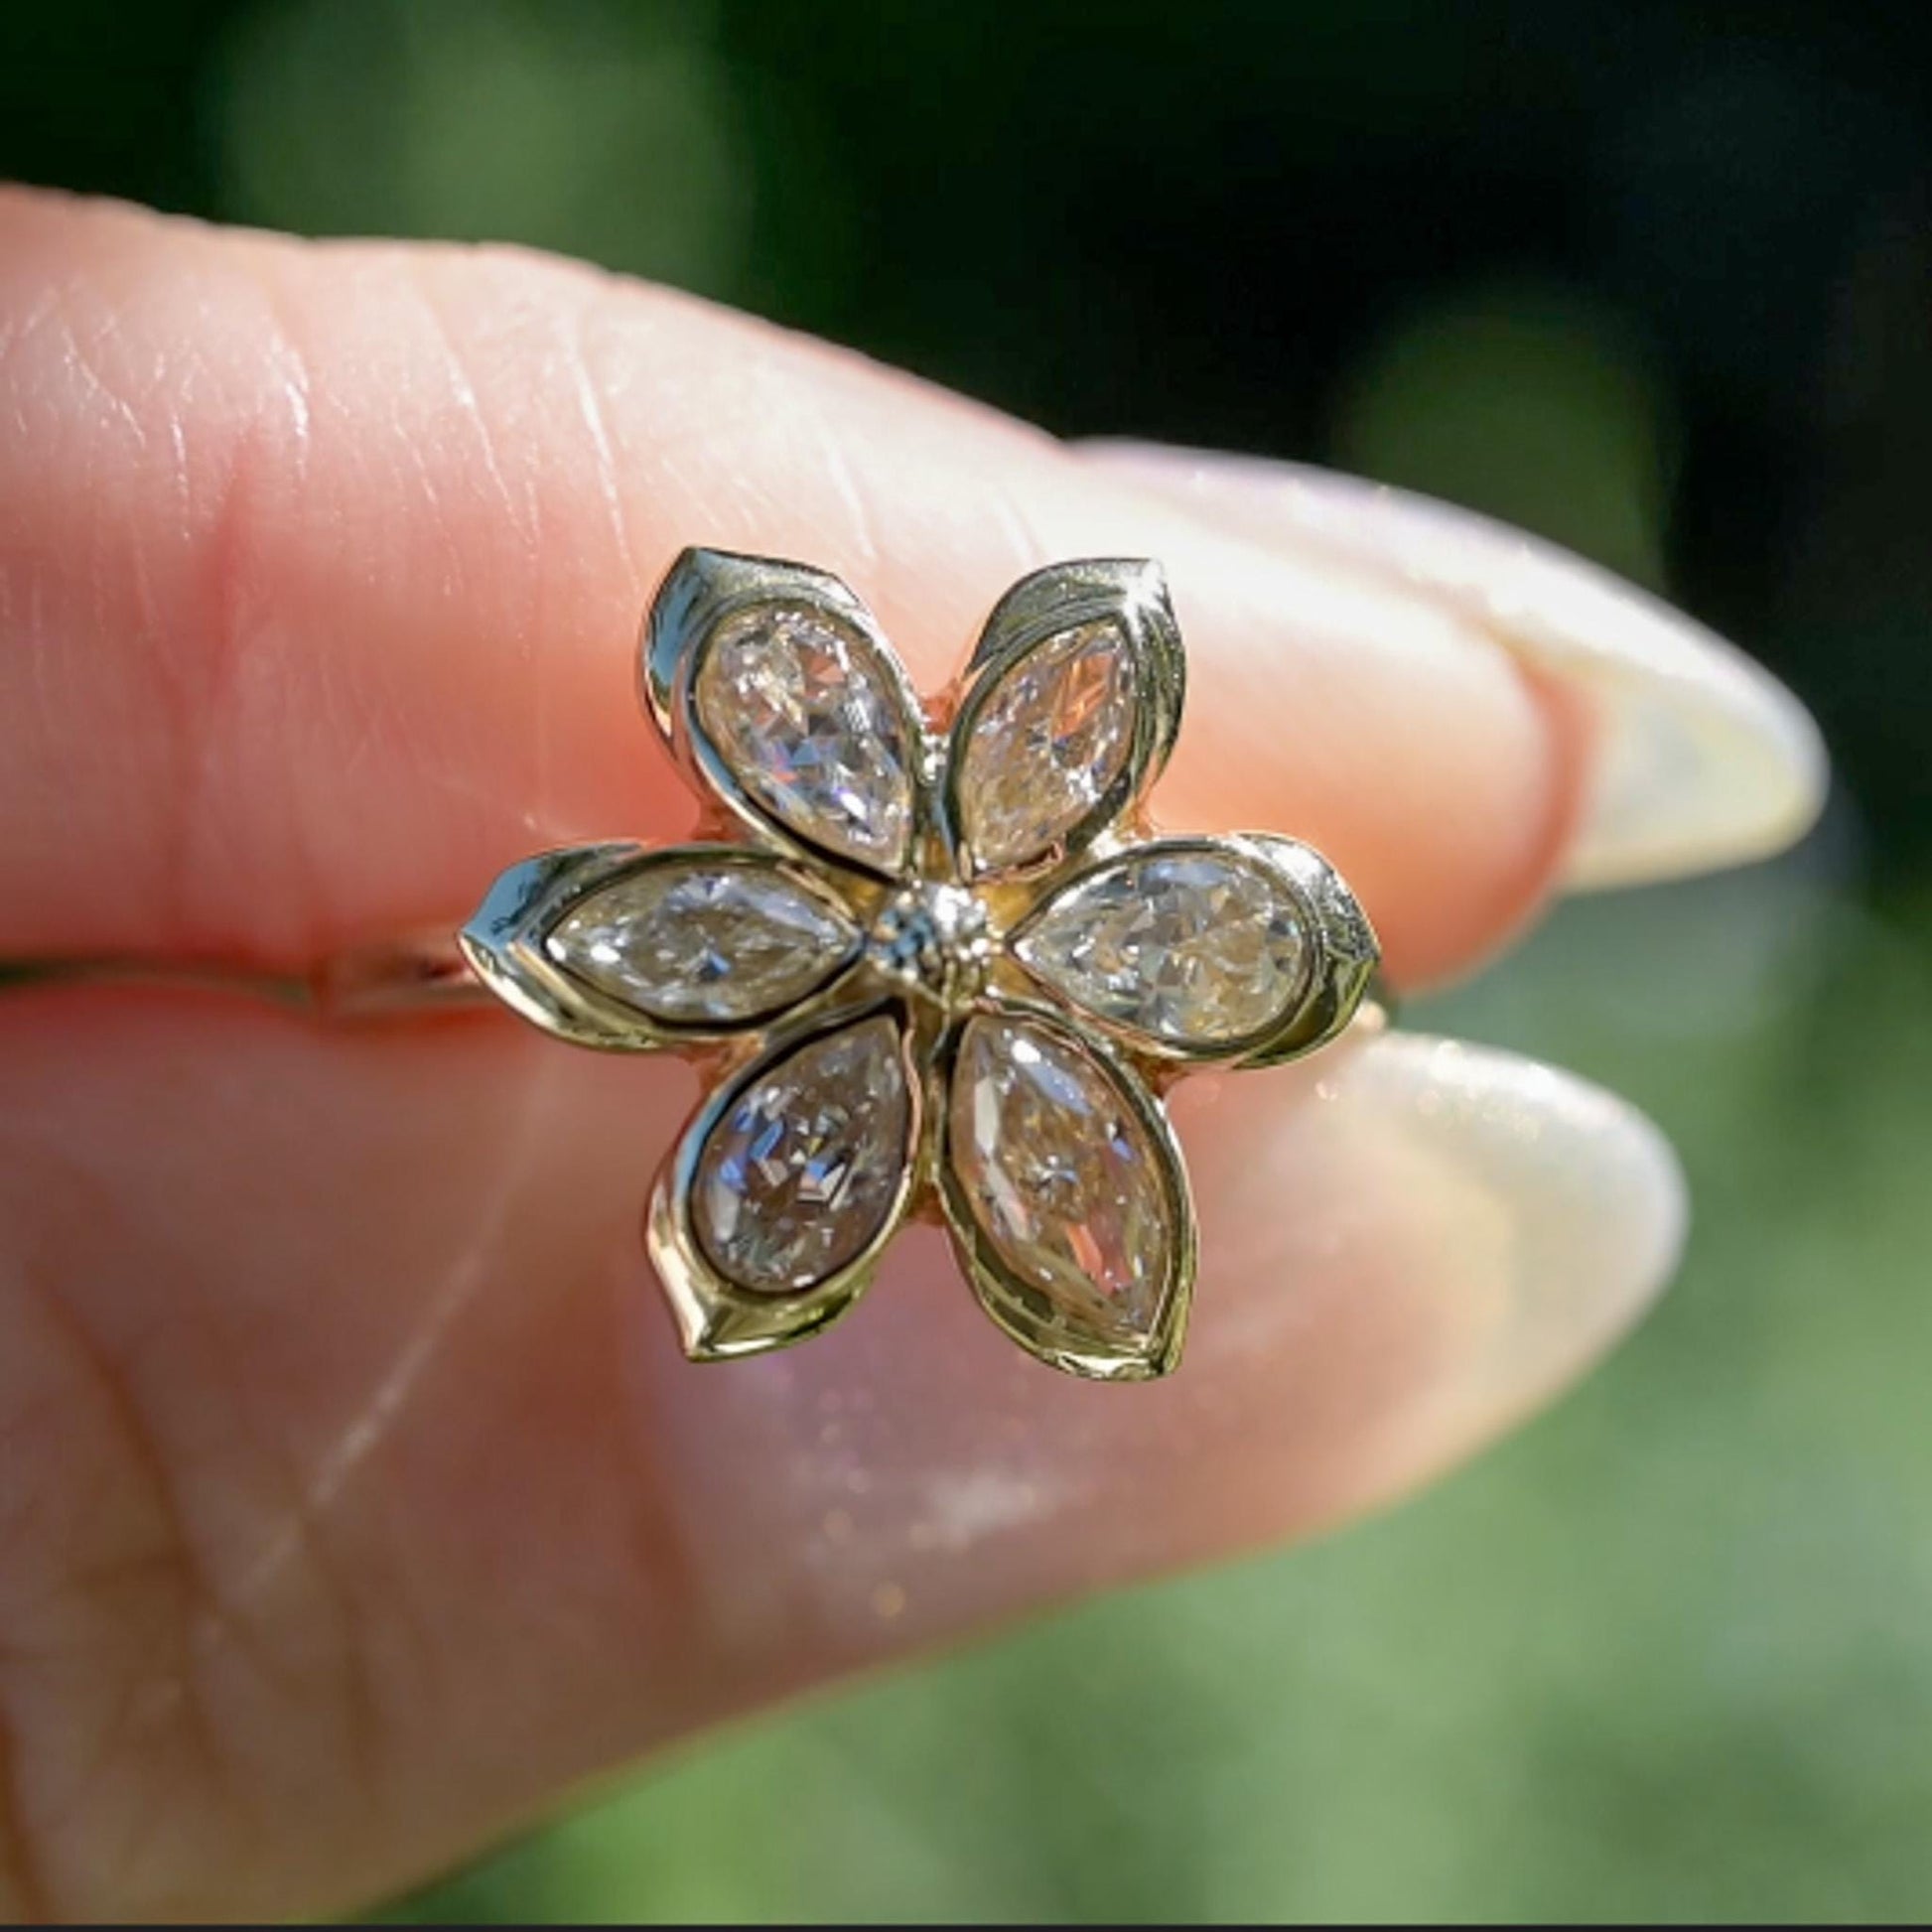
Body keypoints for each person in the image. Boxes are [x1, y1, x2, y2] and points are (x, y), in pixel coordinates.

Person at [0, 187, 1819, 1920]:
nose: (942, 938)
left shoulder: (1060, 916)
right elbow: (530, 936)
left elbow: (1271, 948)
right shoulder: (771, 889)